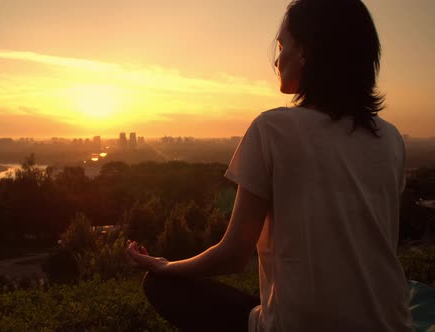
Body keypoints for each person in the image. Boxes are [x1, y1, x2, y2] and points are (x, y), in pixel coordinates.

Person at [126, 0, 414, 331]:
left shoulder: (271, 130)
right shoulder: (391, 139)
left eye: (282, 46)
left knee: (158, 284)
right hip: (391, 324)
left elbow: (234, 255)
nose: (277, 60)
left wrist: (166, 265)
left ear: (305, 52)